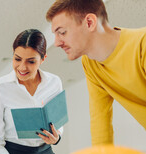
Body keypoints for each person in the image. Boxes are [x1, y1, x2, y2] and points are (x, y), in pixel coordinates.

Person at [46, 0, 146, 145]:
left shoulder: (142, 44)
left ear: (89, 23)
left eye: (62, 32)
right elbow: (100, 123)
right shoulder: (90, 64)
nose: (56, 43)